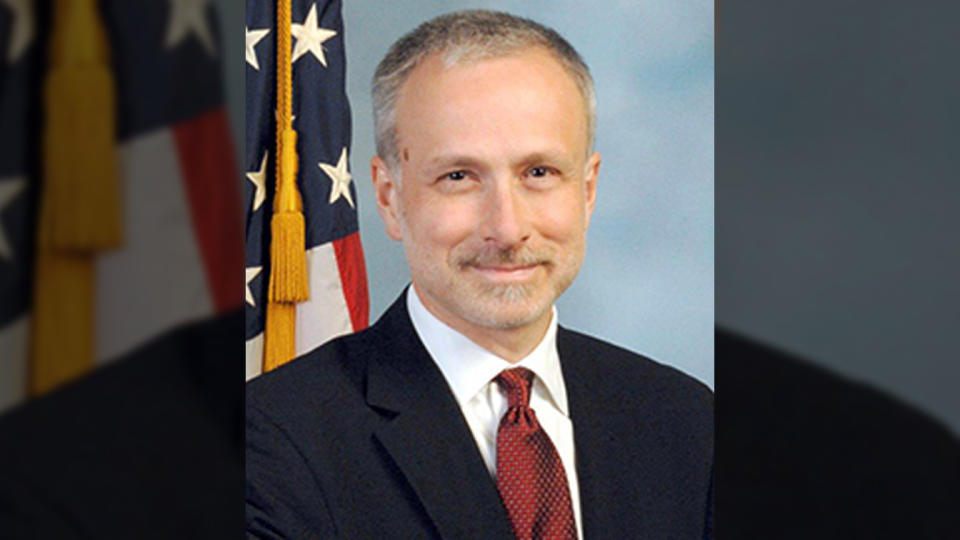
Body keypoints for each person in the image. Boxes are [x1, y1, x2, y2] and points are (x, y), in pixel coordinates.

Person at [246, 10, 713, 539]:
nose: (508, 228)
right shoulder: (275, 440)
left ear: (587, 190)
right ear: (389, 197)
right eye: (459, 176)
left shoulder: (686, 422)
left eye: (539, 173)